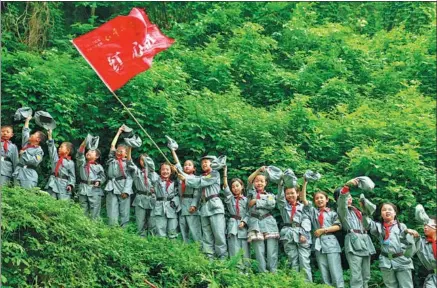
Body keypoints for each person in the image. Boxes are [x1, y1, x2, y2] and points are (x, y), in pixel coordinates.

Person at [175, 154, 227, 259]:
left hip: (214, 206)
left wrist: (185, 179)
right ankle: (209, 257)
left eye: (206, 162)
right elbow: (197, 190)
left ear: (213, 164)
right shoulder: (201, 176)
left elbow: (200, 182)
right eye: (202, 162)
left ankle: (222, 258)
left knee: (218, 233)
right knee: (206, 235)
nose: (204, 164)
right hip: (204, 207)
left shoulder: (214, 174)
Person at [362, 196, 416, 288]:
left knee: (406, 286)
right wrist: (364, 211)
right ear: (381, 214)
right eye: (384, 210)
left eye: (390, 209)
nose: (387, 211)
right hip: (386, 262)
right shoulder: (378, 227)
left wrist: (409, 231)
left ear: (395, 213)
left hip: (402, 260)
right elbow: (367, 224)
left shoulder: (401, 226)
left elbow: (407, 237)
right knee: (390, 286)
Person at [301, 177, 344, 287]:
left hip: (331, 243)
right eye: (317, 198)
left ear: (327, 200)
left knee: (335, 270)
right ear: (315, 201)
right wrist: (305, 182)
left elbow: (338, 226)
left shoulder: (332, 213)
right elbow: (304, 200)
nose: (319, 200)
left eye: (322, 198)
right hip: (318, 244)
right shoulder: (313, 212)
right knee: (323, 271)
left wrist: (323, 230)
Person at [334, 177, 376, 288]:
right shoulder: (342, 211)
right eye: (346, 196)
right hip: (353, 242)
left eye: (350, 196)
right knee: (356, 275)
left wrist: (365, 211)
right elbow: (342, 203)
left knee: (366, 275)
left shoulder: (357, 210)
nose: (349, 198)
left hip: (365, 241)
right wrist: (346, 187)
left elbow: (368, 225)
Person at [277, 177, 312, 281]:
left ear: (298, 194)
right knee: (292, 260)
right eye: (287, 193)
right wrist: (281, 184)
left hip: (301, 233)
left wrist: (303, 233)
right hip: (288, 233)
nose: (290, 195)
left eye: (292, 193)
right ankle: (296, 283)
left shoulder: (303, 206)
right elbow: (279, 197)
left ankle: (307, 284)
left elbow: (306, 220)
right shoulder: (283, 206)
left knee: (304, 260)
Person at [246, 166, 279, 273]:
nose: (259, 183)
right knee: (259, 251)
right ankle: (262, 273)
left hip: (269, 222)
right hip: (255, 223)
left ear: (265, 183)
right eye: (257, 181)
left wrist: (256, 201)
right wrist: (258, 171)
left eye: (261, 181)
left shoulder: (270, 195)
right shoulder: (251, 192)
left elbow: (272, 204)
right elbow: (249, 180)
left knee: (271, 250)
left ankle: (273, 272)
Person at [169, 149, 202, 243]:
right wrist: (172, 150)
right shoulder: (180, 177)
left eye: (189, 165)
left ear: (194, 168)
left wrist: (194, 205)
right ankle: (186, 249)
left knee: (195, 230)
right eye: (185, 165)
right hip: (181, 206)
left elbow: (198, 193)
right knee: (183, 230)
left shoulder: (196, 179)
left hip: (191, 206)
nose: (187, 166)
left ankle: (198, 250)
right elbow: (177, 163)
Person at [104, 126, 133, 227]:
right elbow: (112, 145)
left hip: (123, 185)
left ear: (126, 154)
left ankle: (124, 230)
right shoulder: (112, 159)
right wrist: (118, 132)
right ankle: (113, 229)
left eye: (121, 151)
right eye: (118, 151)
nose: (118, 152)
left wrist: (126, 190)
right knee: (111, 209)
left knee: (124, 210)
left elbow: (130, 177)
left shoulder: (128, 163)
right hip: (112, 185)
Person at [222, 165, 249, 260]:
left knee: (244, 248)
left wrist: (245, 221)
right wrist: (225, 173)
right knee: (233, 247)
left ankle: (246, 269)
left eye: (237, 186)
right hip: (233, 224)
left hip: (243, 225)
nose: (235, 188)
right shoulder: (230, 199)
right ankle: (237, 269)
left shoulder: (246, 200)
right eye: (233, 187)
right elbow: (225, 187)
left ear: (242, 186)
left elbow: (249, 213)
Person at [127, 151, 156, 236]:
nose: (143, 162)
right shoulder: (137, 171)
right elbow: (129, 162)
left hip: (152, 198)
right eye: (141, 160)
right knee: (140, 221)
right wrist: (130, 147)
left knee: (152, 221)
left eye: (145, 160)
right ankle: (141, 239)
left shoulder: (154, 173)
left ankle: (152, 239)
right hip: (140, 198)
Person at [76, 136, 106, 219]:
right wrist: (86, 141)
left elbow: (103, 177)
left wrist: (99, 181)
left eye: (92, 152)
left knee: (95, 212)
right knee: (82, 210)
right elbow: (79, 153)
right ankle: (83, 226)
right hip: (83, 189)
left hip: (94, 190)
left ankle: (94, 229)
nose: (88, 152)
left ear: (97, 156)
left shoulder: (99, 166)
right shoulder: (82, 163)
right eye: (88, 151)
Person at [13, 116, 46, 188]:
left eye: (33, 134)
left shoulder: (39, 151)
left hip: (29, 175)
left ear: (38, 139)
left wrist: (24, 153)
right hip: (19, 172)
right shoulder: (26, 144)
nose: (31, 135)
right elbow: (25, 131)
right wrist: (27, 120)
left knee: (26, 195)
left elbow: (35, 161)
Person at [149, 162, 180, 239]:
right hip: (159, 208)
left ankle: (173, 249)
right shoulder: (156, 181)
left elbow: (178, 194)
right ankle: (161, 248)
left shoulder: (175, 182)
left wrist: (174, 202)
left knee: (172, 230)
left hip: (171, 208)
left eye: (167, 169)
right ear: (160, 171)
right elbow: (151, 171)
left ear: (171, 171)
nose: (165, 171)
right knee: (160, 230)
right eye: (163, 169)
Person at [45, 129, 76, 200]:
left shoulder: (70, 163)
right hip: (53, 182)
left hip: (64, 185)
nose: (59, 148)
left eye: (61, 147)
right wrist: (50, 136)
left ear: (68, 151)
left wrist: (70, 185)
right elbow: (52, 149)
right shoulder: (56, 159)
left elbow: (72, 176)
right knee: (51, 202)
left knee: (63, 204)